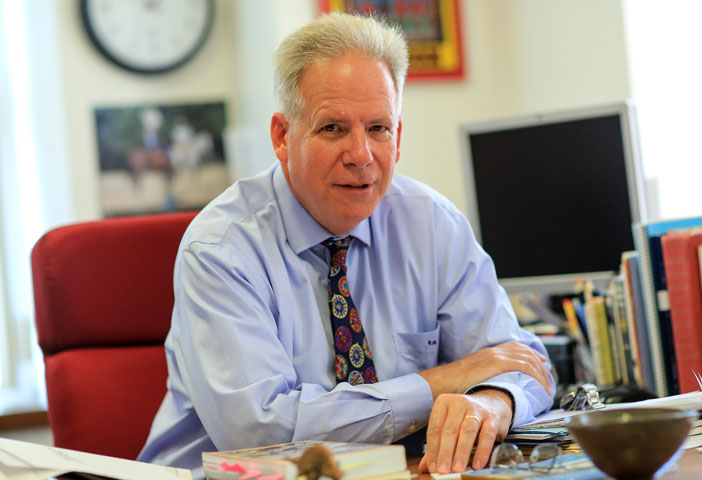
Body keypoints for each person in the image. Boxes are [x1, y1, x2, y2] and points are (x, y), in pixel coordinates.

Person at [138, 13, 555, 477]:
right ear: (282, 136)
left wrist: (495, 402)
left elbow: (523, 363)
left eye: (378, 128)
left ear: (397, 138)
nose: (361, 155)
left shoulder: (432, 223)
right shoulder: (221, 249)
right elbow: (260, 434)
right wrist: (440, 383)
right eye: (333, 128)